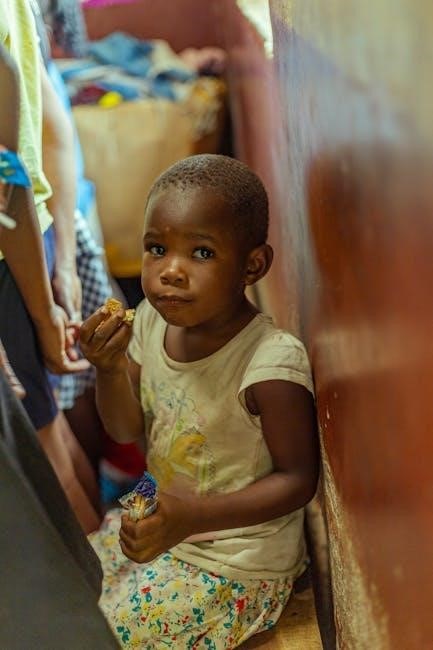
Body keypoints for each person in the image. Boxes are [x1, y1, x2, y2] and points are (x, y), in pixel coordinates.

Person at [80, 154, 319, 648]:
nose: (170, 271)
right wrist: (107, 369)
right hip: (165, 526)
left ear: (253, 265)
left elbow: (298, 480)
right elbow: (125, 429)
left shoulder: (269, 361)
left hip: (236, 561)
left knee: (104, 633)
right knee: (70, 580)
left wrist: (190, 519)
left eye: (202, 253)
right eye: (157, 248)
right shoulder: (150, 321)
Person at [0, 0, 100, 533]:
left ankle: (99, 576)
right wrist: (58, 271)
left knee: (42, 454)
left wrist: (43, 314)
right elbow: (49, 132)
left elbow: (7, 183)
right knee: (50, 430)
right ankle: (108, 558)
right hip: (28, 244)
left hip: (12, 254)